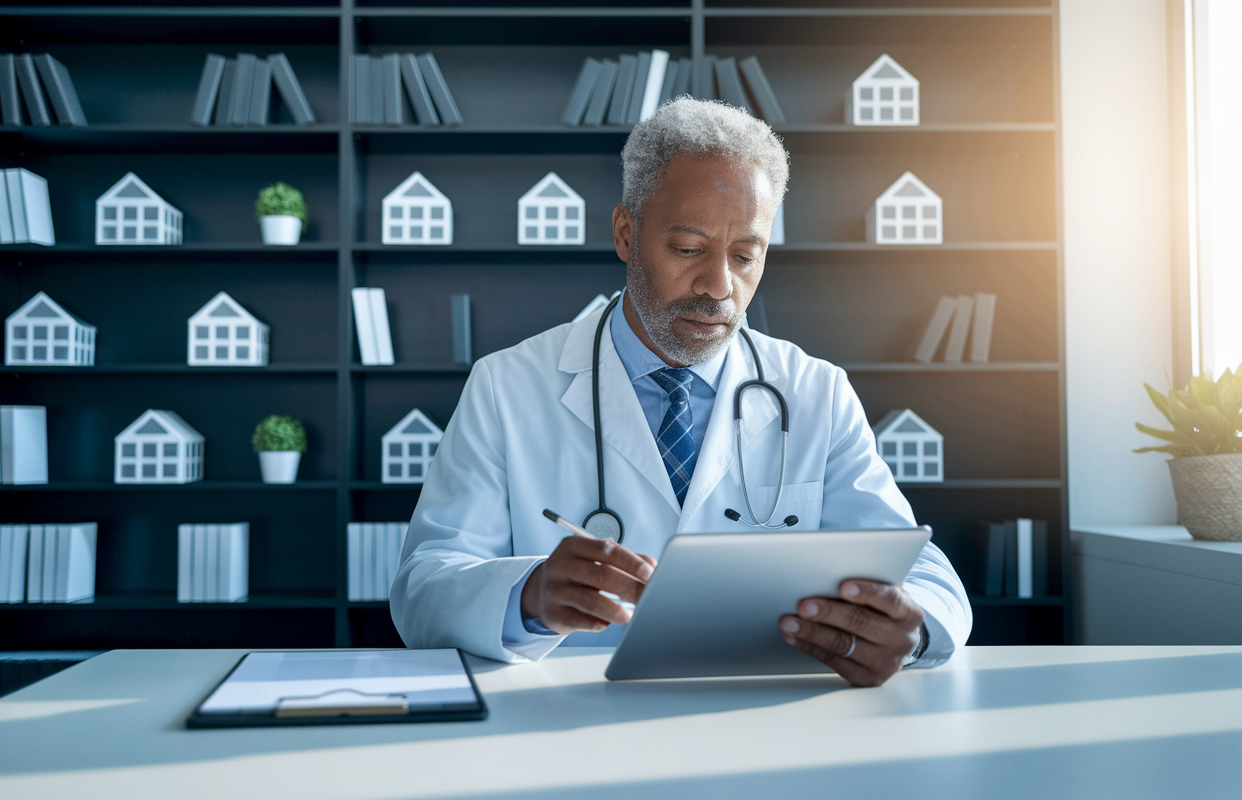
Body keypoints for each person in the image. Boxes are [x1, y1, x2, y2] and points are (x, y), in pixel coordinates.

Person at [391, 97, 971, 687]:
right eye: (689, 249)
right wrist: (528, 595)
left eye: (745, 255)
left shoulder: (815, 390)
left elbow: (920, 569)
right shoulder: (507, 386)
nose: (719, 285)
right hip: (570, 727)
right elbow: (423, 588)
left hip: (761, 732)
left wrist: (914, 628)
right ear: (626, 234)